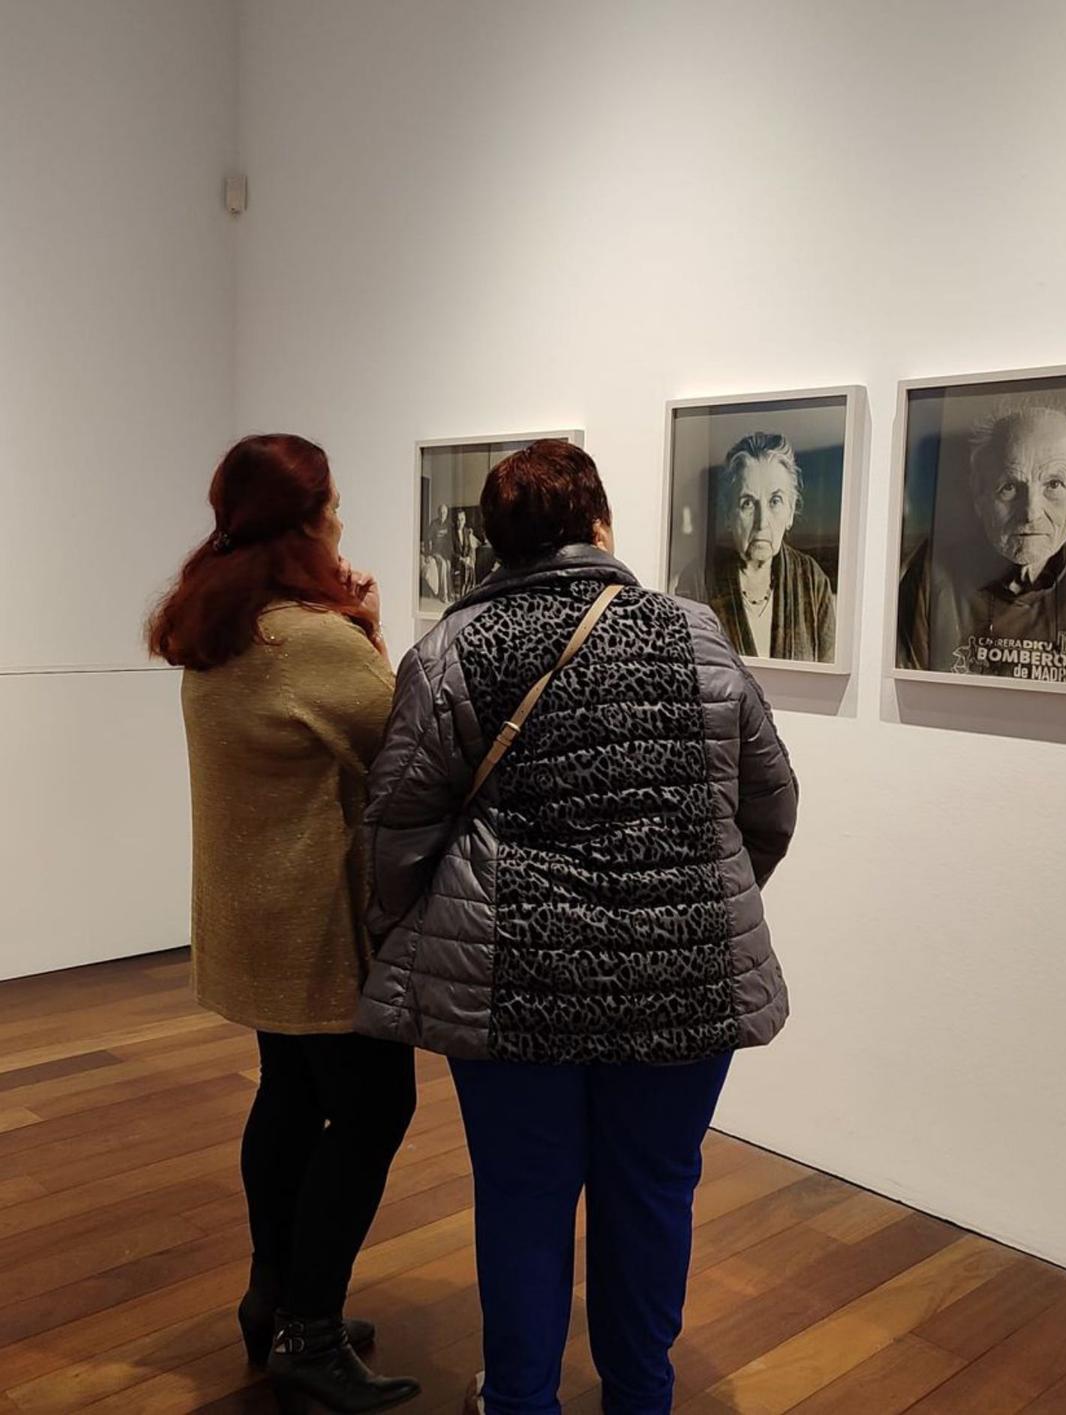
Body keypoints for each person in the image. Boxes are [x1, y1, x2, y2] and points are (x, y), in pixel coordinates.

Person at [355, 440, 798, 1415]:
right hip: (683, 974)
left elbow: (395, 829)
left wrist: (413, 931)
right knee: (652, 1192)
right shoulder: (694, 634)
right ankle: (640, 1395)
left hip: (517, 979)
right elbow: (769, 803)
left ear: (495, 542)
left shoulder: (452, 650)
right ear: (600, 524)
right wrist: (703, 893)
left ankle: (519, 1398)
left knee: (524, 1198)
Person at [147, 434, 420, 1413]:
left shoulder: (214, 623)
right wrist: (372, 633)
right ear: (307, 519)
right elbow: (406, 761)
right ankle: (308, 1325)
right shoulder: (312, 638)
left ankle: (272, 1297)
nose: (342, 516)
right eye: (333, 502)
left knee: (292, 1098)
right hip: (316, 927)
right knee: (378, 1108)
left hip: (251, 914)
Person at [897, 398, 1066, 685]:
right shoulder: (931, 577)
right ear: (979, 492)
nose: (1031, 513)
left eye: (1054, 484)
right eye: (1009, 487)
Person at [676, 431, 835, 662]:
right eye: (747, 503)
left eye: (775, 501)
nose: (762, 523)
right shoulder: (697, 580)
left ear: (790, 513)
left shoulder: (812, 581)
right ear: (729, 514)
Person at [423, 502, 453, 601]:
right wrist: (427, 554)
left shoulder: (449, 524)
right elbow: (427, 540)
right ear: (438, 513)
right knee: (443, 564)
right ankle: (443, 595)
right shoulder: (434, 524)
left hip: (446, 553)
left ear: (447, 513)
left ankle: (450, 593)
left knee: (448, 565)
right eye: (440, 512)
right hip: (436, 552)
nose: (442, 514)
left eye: (444, 512)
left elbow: (457, 535)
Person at [450, 506, 481, 599]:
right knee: (465, 566)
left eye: (462, 519)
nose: (460, 522)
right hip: (456, 560)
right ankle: (462, 594)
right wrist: (461, 558)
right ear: (456, 521)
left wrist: (468, 558)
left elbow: (470, 547)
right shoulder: (451, 533)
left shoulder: (467, 531)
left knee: (471, 565)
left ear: (465, 520)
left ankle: (469, 591)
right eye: (458, 520)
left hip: (465, 560)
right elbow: (451, 551)